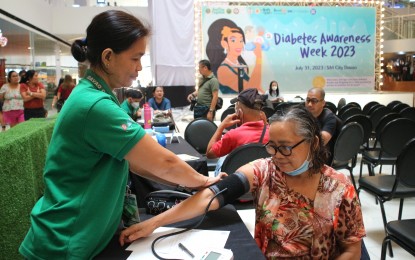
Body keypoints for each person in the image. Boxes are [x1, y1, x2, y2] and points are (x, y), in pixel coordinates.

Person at [19, 10, 224, 260]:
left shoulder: (95, 94)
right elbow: (165, 162)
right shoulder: (95, 105)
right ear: (107, 57)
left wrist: (187, 181)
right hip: (66, 241)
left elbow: (137, 162)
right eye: (135, 58)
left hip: (77, 234)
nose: (139, 68)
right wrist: (202, 181)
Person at [120, 106, 366, 259]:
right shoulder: (264, 171)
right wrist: (154, 223)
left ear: (312, 143)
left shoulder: (339, 187)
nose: (276, 155)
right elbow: (211, 196)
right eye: (271, 146)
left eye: (286, 148)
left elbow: (352, 250)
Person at [206, 88, 269, 175]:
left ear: (239, 113)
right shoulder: (274, 133)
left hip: (239, 182)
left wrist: (221, 126)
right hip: (264, 180)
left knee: (222, 159)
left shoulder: (233, 135)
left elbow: (209, 153)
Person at [206, 18, 262, 94]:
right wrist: (259, 59)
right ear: (224, 43)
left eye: (241, 40)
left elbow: (255, 86)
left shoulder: (241, 65)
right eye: (233, 40)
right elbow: (250, 89)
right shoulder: (223, 70)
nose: (239, 44)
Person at [305, 87, 342, 165]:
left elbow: (321, 141)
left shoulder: (329, 118)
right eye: (308, 100)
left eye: (314, 101)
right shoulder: (305, 114)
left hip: (322, 156)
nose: (309, 104)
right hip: (307, 152)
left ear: (323, 103)